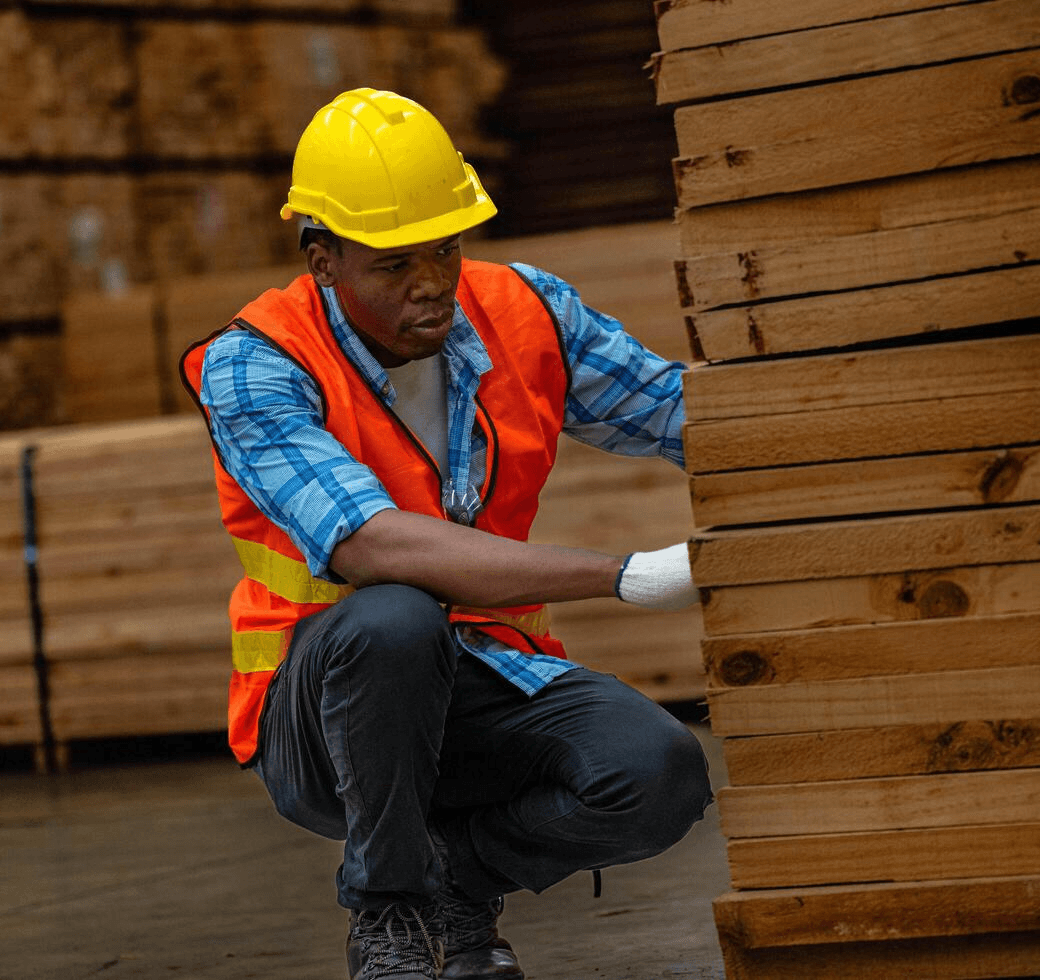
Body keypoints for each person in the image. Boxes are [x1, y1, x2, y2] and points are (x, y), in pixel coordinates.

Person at [180, 87, 713, 980]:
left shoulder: (527, 314)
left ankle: (452, 884)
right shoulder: (257, 364)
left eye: (445, 248)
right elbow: (370, 544)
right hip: (324, 718)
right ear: (323, 261)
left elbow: (680, 413)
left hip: (486, 676)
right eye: (393, 264)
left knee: (656, 774)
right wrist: (623, 574)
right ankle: (389, 913)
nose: (431, 282)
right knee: (393, 615)